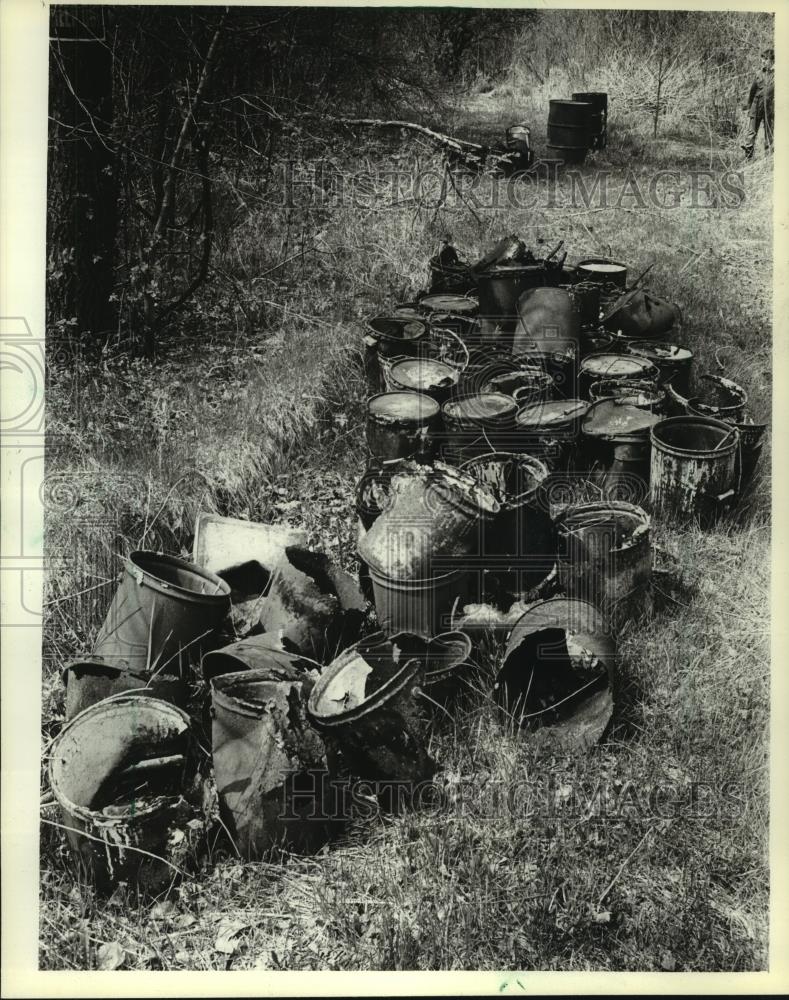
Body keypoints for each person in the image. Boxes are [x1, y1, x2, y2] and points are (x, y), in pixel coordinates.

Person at [742, 47, 774, 159]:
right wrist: (749, 107)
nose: (763, 62)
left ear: (772, 60)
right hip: (756, 106)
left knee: (769, 134)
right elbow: (752, 92)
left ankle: (768, 160)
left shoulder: (777, 75)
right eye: (762, 60)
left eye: (765, 59)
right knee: (751, 133)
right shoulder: (759, 73)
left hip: (770, 109)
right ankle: (748, 157)